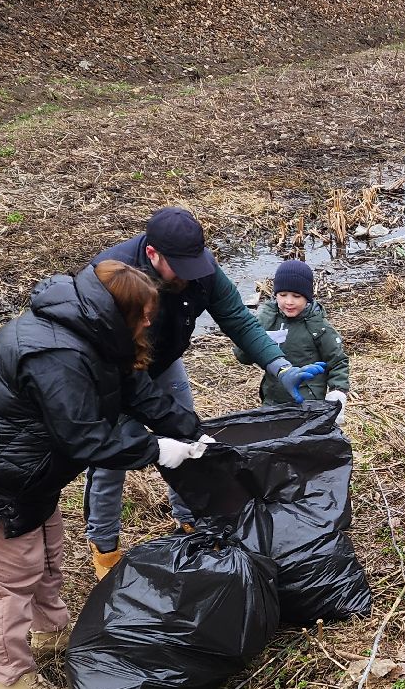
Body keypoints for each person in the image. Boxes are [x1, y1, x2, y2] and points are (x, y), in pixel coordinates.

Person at [0, 261, 209, 689]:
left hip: (27, 473)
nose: (150, 321)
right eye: (143, 313)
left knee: (45, 552)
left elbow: (138, 392)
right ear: (117, 311)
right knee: (5, 583)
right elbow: (85, 436)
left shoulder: (99, 335)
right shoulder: (55, 355)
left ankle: (49, 631)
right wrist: (155, 450)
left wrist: (192, 432)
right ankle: (11, 683)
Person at [83, 207, 323, 579]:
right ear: (152, 255)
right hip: (113, 371)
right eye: (179, 267)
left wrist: (280, 366)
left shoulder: (200, 269)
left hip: (163, 363)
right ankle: (105, 546)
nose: (189, 275)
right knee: (113, 455)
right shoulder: (111, 278)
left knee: (188, 436)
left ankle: (190, 519)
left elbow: (238, 320)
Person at [234, 259, 348, 418]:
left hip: (308, 404)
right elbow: (242, 357)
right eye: (282, 295)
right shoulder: (268, 319)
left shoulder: (318, 326)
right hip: (272, 401)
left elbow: (338, 362)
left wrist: (337, 393)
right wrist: (259, 324)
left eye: (296, 296)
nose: (289, 302)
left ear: (307, 297)